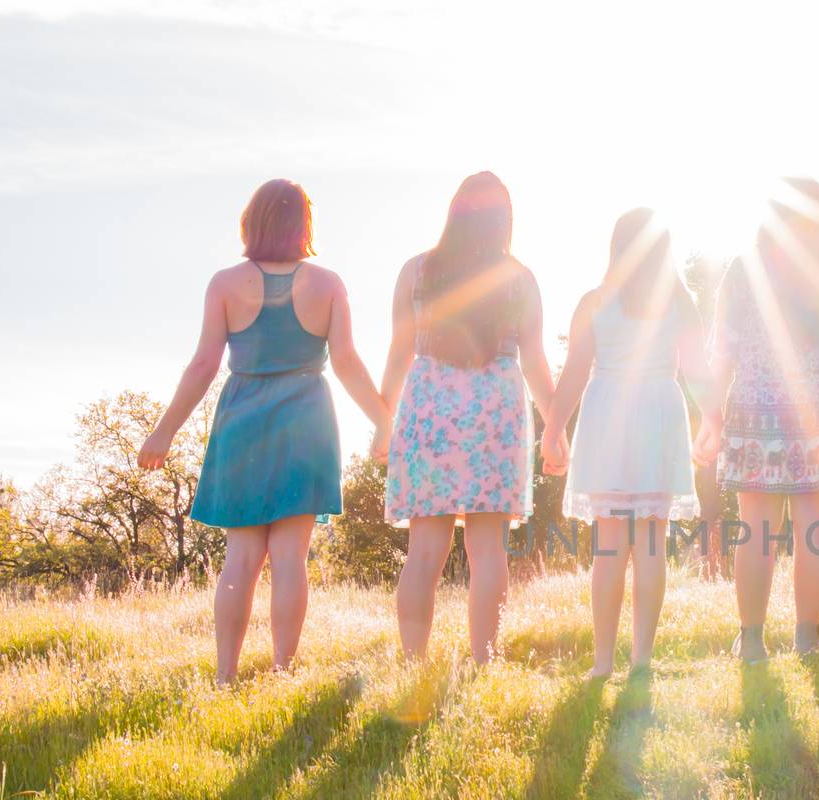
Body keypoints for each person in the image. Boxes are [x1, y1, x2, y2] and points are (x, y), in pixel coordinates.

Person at [138, 178, 389, 684]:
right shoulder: (328, 284)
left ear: (251, 222)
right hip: (307, 421)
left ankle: (226, 676)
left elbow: (204, 363)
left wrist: (162, 433)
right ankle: (282, 671)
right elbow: (346, 361)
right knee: (290, 556)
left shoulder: (225, 283)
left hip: (243, 419)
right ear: (304, 225)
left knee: (243, 554)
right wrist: (388, 422)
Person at [694, 178, 819, 662]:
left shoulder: (743, 271)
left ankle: (751, 641)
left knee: (755, 530)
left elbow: (722, 354)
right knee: (816, 531)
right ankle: (806, 640)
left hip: (755, 411)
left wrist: (710, 416)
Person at [378, 172, 556, 664]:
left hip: (429, 406)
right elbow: (537, 362)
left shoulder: (416, 271)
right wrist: (557, 427)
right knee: (488, 549)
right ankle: (485, 660)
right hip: (495, 410)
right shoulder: (520, 278)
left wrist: (381, 419)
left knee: (424, 551)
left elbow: (398, 352)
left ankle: (414, 663)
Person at [540, 209, 709, 680]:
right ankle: (641, 661)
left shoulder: (594, 302)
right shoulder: (681, 302)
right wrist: (713, 418)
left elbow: (573, 371)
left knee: (609, 546)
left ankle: (602, 662)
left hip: (608, 411)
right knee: (652, 542)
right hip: (658, 410)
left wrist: (554, 428)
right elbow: (698, 372)